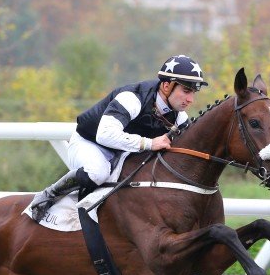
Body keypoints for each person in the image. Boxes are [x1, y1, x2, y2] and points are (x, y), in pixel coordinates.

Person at [29, 54, 209, 222]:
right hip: (92, 143)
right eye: (186, 90)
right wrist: (149, 143)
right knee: (98, 173)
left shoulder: (179, 117)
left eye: (193, 92)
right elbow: (105, 135)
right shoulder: (132, 98)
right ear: (167, 86)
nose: (191, 99)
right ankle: (49, 195)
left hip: (123, 152)